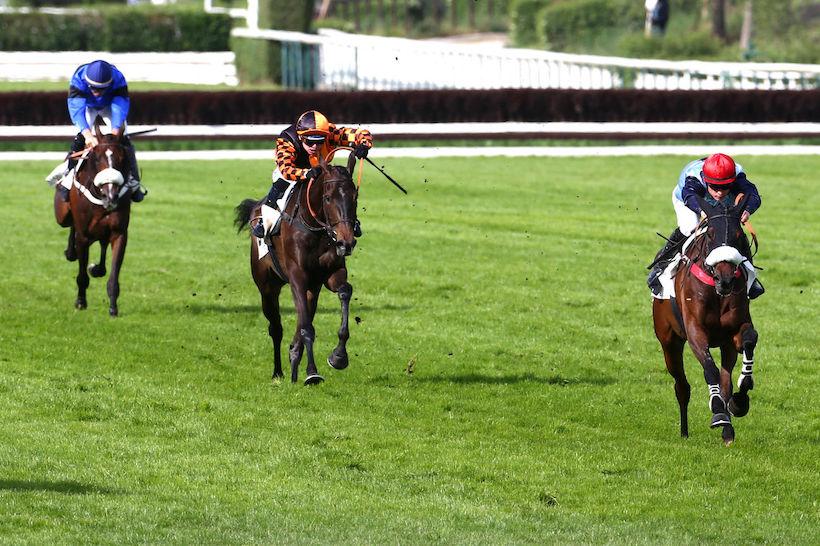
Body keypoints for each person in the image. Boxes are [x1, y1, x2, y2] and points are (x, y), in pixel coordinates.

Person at [647, 153, 764, 298]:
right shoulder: (694, 177)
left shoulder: (737, 174)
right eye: (714, 187)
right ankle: (660, 267)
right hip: (688, 200)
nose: (719, 192)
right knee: (689, 227)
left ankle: (751, 277)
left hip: (724, 201)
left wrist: (747, 211)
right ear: (705, 180)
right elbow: (689, 196)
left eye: (725, 187)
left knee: (734, 231)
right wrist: (703, 212)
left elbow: (753, 194)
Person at [251, 110, 372, 238]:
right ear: (300, 137)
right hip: (292, 173)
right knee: (280, 184)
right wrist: (306, 173)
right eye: (309, 142)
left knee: (338, 189)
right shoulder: (286, 140)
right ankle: (264, 220)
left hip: (319, 170)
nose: (315, 146)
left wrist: (363, 145)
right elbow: (286, 169)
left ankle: (350, 221)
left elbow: (361, 134)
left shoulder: (330, 133)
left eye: (320, 142)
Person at [44, 59, 146, 203]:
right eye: (93, 88)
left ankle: (134, 182)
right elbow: (77, 111)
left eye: (101, 89)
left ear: (109, 83)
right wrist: (87, 135)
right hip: (88, 107)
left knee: (124, 139)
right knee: (80, 139)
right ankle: (67, 179)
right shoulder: (78, 79)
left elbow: (119, 107)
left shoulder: (118, 79)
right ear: (87, 82)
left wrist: (116, 131)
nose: (97, 92)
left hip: (110, 107)